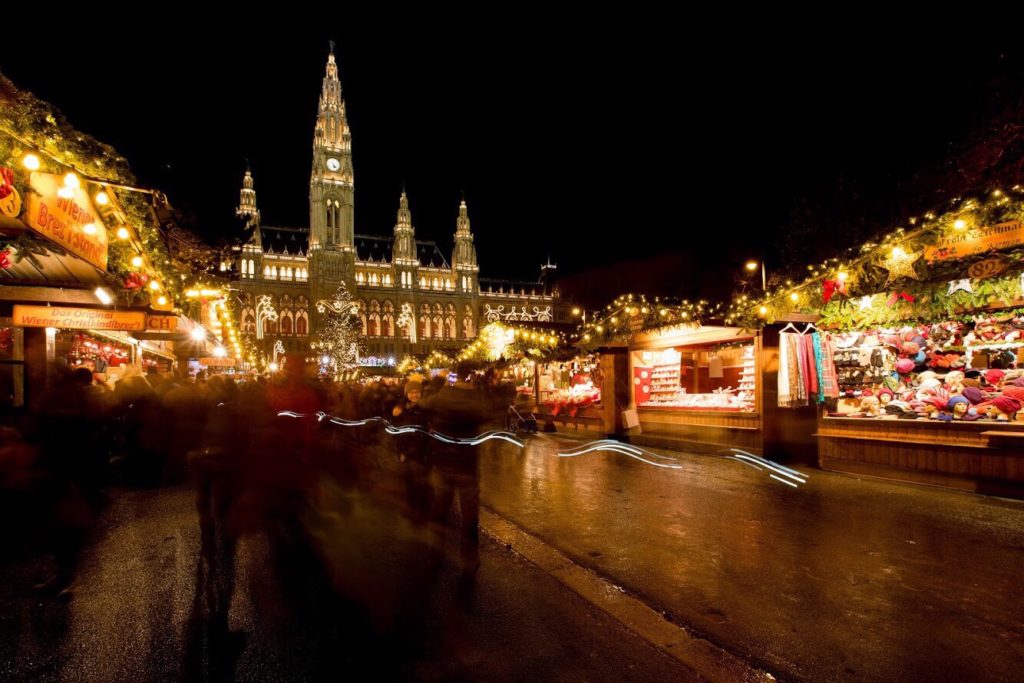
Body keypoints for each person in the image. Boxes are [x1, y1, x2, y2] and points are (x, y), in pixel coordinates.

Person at [420, 362, 489, 582]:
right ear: (471, 377)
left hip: (443, 464)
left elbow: (424, 403)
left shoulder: (443, 396)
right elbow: (487, 415)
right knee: (469, 516)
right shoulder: (476, 399)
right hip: (467, 465)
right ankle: (469, 558)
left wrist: (436, 382)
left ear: (455, 375)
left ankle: (434, 555)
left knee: (439, 511)